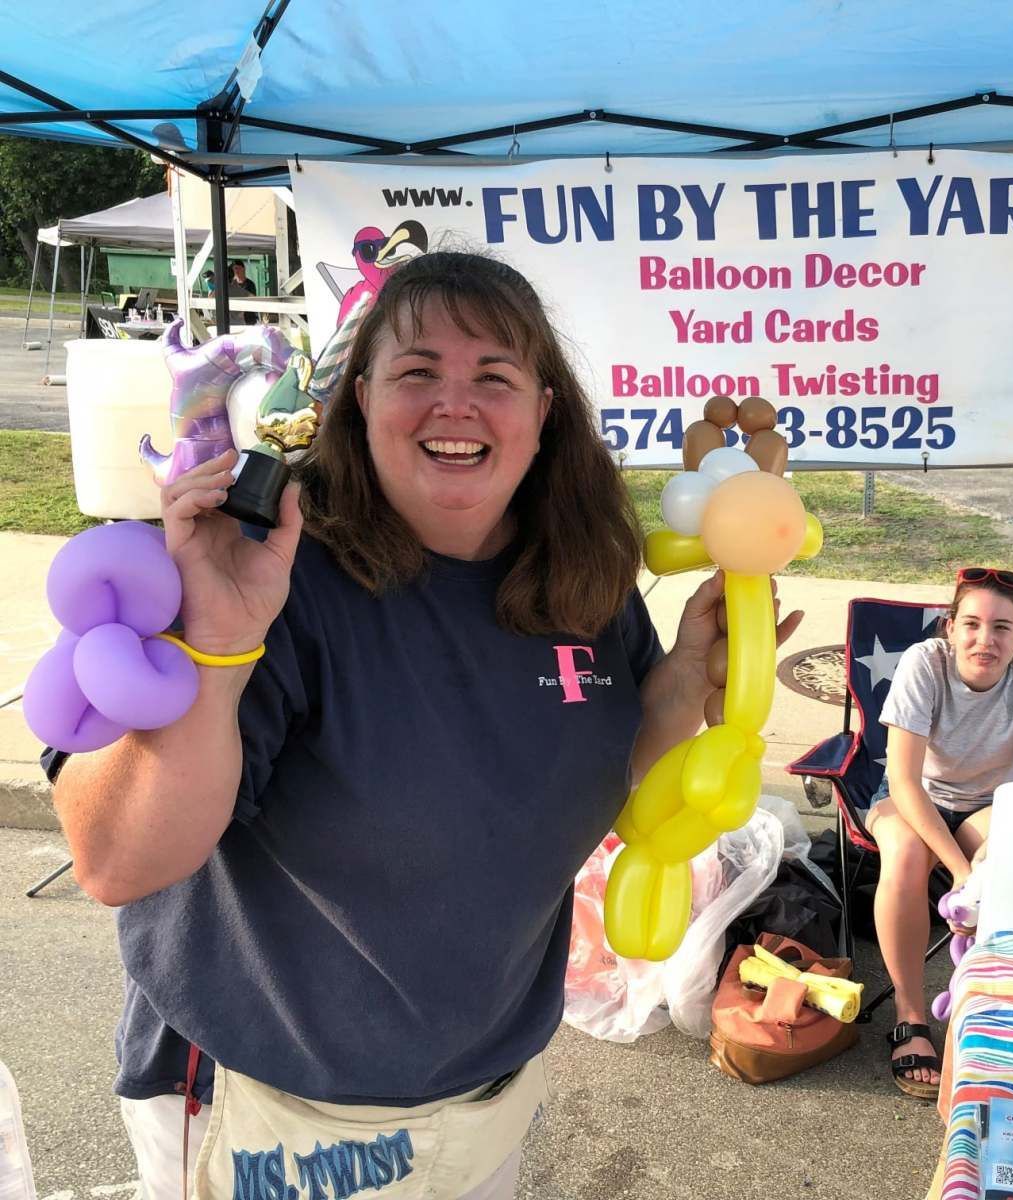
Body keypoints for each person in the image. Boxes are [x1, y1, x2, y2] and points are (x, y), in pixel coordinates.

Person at [45, 251, 799, 1196]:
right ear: (360, 400)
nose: (456, 404)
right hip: (272, 1105)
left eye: (495, 377)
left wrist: (685, 677)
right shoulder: (262, 570)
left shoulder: (581, 576)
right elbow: (117, 861)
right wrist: (220, 645)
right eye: (417, 374)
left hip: (482, 1094)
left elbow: (618, 784)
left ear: (542, 415)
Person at [868, 567, 1013, 1099]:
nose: (987, 639)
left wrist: (982, 866)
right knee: (907, 858)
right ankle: (911, 1014)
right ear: (950, 628)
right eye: (973, 624)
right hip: (914, 798)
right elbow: (903, 781)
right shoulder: (923, 664)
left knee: (1007, 865)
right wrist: (960, 872)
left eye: (1003, 627)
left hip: (995, 802)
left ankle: (988, 1018)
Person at [226, 258, 259, 324]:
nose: (236, 271)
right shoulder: (231, 285)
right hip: (234, 319)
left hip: (248, 319)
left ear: (244, 268)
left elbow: (252, 299)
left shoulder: (250, 284)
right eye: (234, 269)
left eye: (238, 268)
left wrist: (242, 312)